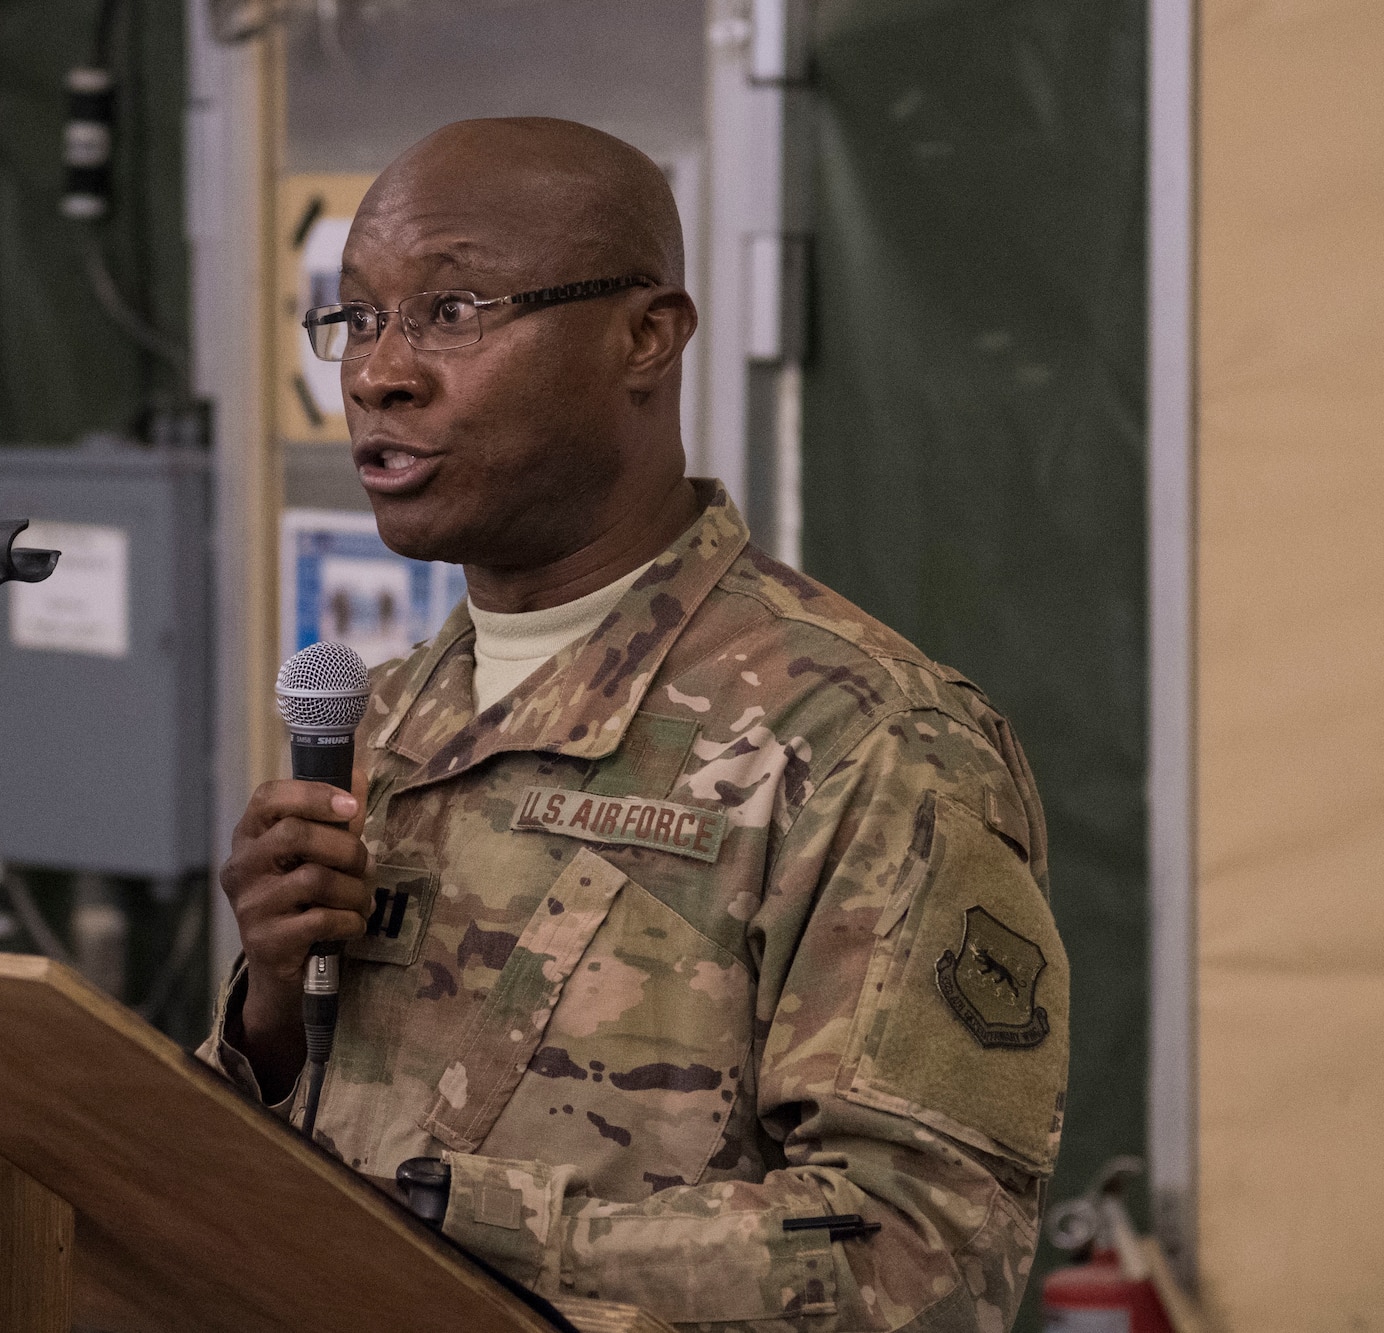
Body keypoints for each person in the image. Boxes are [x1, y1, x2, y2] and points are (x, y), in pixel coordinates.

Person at [198, 117, 1067, 1331]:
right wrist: (271, 1014)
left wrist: (456, 1222)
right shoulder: (383, 717)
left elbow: (923, 1257)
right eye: (355, 316)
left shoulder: (867, 741)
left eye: (451, 310)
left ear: (644, 338)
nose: (374, 372)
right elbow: (313, 1145)